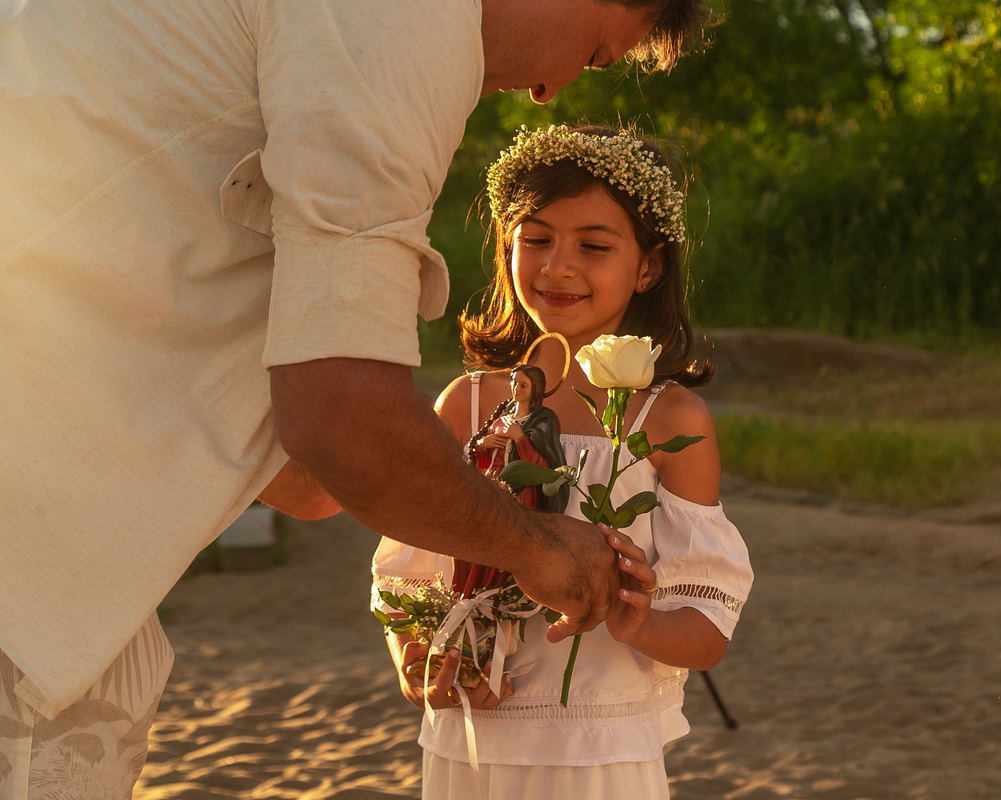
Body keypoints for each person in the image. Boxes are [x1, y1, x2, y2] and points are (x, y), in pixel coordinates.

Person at [0, 1, 714, 797]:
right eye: (597, 54)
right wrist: (537, 551)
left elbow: (311, 475)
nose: (553, 91)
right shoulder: (406, 24)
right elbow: (340, 420)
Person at [371, 124, 754, 799]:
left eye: (594, 246)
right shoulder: (469, 404)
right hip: (473, 744)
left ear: (648, 266)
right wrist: (417, 656)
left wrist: (639, 619)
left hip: (601, 751)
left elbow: (709, 622)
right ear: (506, 247)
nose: (557, 267)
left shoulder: (667, 422)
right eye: (536, 239)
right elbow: (407, 576)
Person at [469, 364, 569, 513]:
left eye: (523, 385)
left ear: (535, 389)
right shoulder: (499, 422)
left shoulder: (541, 424)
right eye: (514, 382)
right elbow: (484, 462)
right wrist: (482, 446)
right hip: (494, 488)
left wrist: (519, 438)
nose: (516, 388)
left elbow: (541, 466)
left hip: (523, 492)